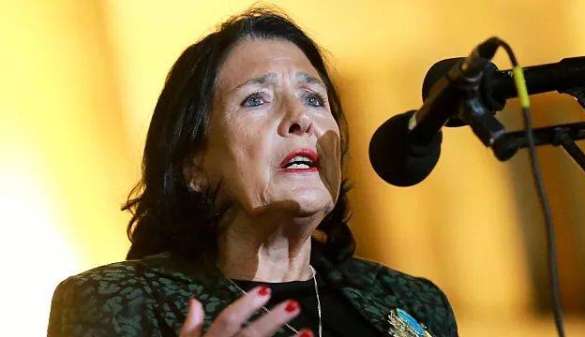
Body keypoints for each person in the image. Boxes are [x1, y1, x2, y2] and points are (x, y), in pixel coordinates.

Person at [48, 8, 458, 337]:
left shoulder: (414, 302)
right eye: (257, 99)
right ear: (195, 167)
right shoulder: (116, 302)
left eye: (314, 98)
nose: (300, 118)